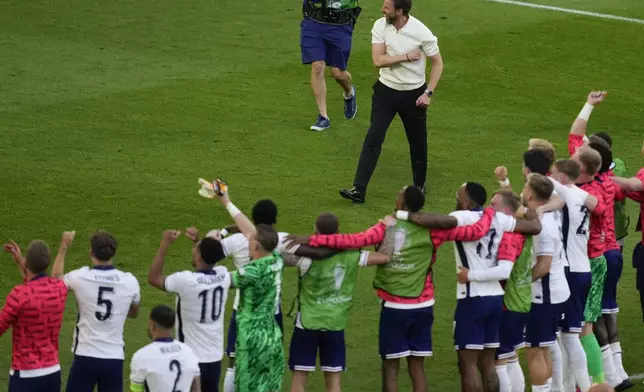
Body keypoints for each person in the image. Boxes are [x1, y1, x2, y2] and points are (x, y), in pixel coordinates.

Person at [290, 185, 541, 392]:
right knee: (464, 364)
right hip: (440, 303)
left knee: (396, 366)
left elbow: (356, 241)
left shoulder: (393, 227)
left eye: (459, 194)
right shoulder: (447, 230)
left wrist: (306, 240)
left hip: (408, 304)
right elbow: (528, 227)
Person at [338, 0, 443, 203]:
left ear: (400, 11)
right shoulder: (380, 25)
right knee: (374, 136)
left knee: (417, 141)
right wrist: (405, 56)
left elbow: (438, 63)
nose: (382, 9)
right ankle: (359, 189)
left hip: (414, 95)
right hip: (385, 91)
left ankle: (419, 186)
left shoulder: (421, 32)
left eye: (387, 6)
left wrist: (428, 93)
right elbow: (378, 60)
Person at [281, 212, 397, 392]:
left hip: (307, 323)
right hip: (335, 323)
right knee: (334, 380)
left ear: (315, 230)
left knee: (299, 378)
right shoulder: (352, 254)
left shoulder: (304, 257)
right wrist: (390, 229)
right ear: (339, 231)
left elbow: (276, 257)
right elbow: (384, 257)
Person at [568, 92, 632, 390]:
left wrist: (589, 105)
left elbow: (574, 134)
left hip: (592, 257)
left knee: (587, 322)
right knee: (606, 310)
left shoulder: (585, 187)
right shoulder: (609, 183)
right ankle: (616, 372)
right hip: (613, 253)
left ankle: (601, 378)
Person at [450, 188, 529, 392]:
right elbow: (531, 224)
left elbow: (437, 223)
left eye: (459, 195)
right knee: (488, 363)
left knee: (467, 365)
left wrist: (470, 275)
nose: (456, 198)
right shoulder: (501, 221)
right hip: (495, 298)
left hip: (473, 297)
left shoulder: (461, 217)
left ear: (467, 200)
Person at [211, 200, 288, 392]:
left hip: (249, 328)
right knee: (268, 372)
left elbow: (219, 277)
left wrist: (216, 237)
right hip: (272, 326)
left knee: (240, 370)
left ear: (256, 247)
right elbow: (248, 231)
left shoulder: (251, 272)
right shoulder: (277, 256)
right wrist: (226, 201)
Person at [50, 231, 141, 392]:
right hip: (114, 357)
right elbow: (134, 313)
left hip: (85, 355)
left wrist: (64, 246)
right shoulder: (130, 281)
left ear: (91, 253)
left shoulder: (80, 277)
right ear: (113, 253)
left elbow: (55, 281)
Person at [147, 228, 232, 392]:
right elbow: (210, 257)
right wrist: (198, 241)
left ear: (199, 256)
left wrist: (165, 243)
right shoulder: (224, 276)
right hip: (214, 358)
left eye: (196, 249)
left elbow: (154, 278)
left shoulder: (185, 281)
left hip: (190, 358)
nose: (193, 250)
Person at [550, 160, 600, 392]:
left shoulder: (566, 192)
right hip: (584, 269)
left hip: (570, 271)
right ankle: (572, 386)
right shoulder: (582, 195)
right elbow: (596, 203)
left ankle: (573, 387)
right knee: (571, 332)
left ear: (562, 176)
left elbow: (540, 179)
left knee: (566, 335)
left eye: (555, 172)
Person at [1, 234, 70, 392]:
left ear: (28, 262)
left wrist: (22, 263)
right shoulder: (59, 289)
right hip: (52, 373)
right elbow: (36, 286)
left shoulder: (19, 295)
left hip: (25, 375)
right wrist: (21, 262)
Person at [521, 173, 570, 392]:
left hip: (544, 295)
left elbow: (543, 266)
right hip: (556, 291)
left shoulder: (543, 227)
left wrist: (520, 282)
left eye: (525, 187)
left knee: (535, 350)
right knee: (543, 348)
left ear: (531, 193)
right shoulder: (550, 213)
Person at [301, 0, 360, 130]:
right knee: (317, 66)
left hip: (341, 25)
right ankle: (323, 117)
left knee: (337, 73)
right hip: (314, 22)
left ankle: (349, 92)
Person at [129, 305, 201, 392]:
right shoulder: (189, 352)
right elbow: (196, 386)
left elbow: (136, 390)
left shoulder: (142, 356)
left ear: (152, 325)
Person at [494, 231, 530, 392]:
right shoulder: (527, 235)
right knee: (512, 355)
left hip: (509, 304)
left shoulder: (512, 239)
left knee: (500, 362)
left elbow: (503, 272)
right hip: (522, 300)